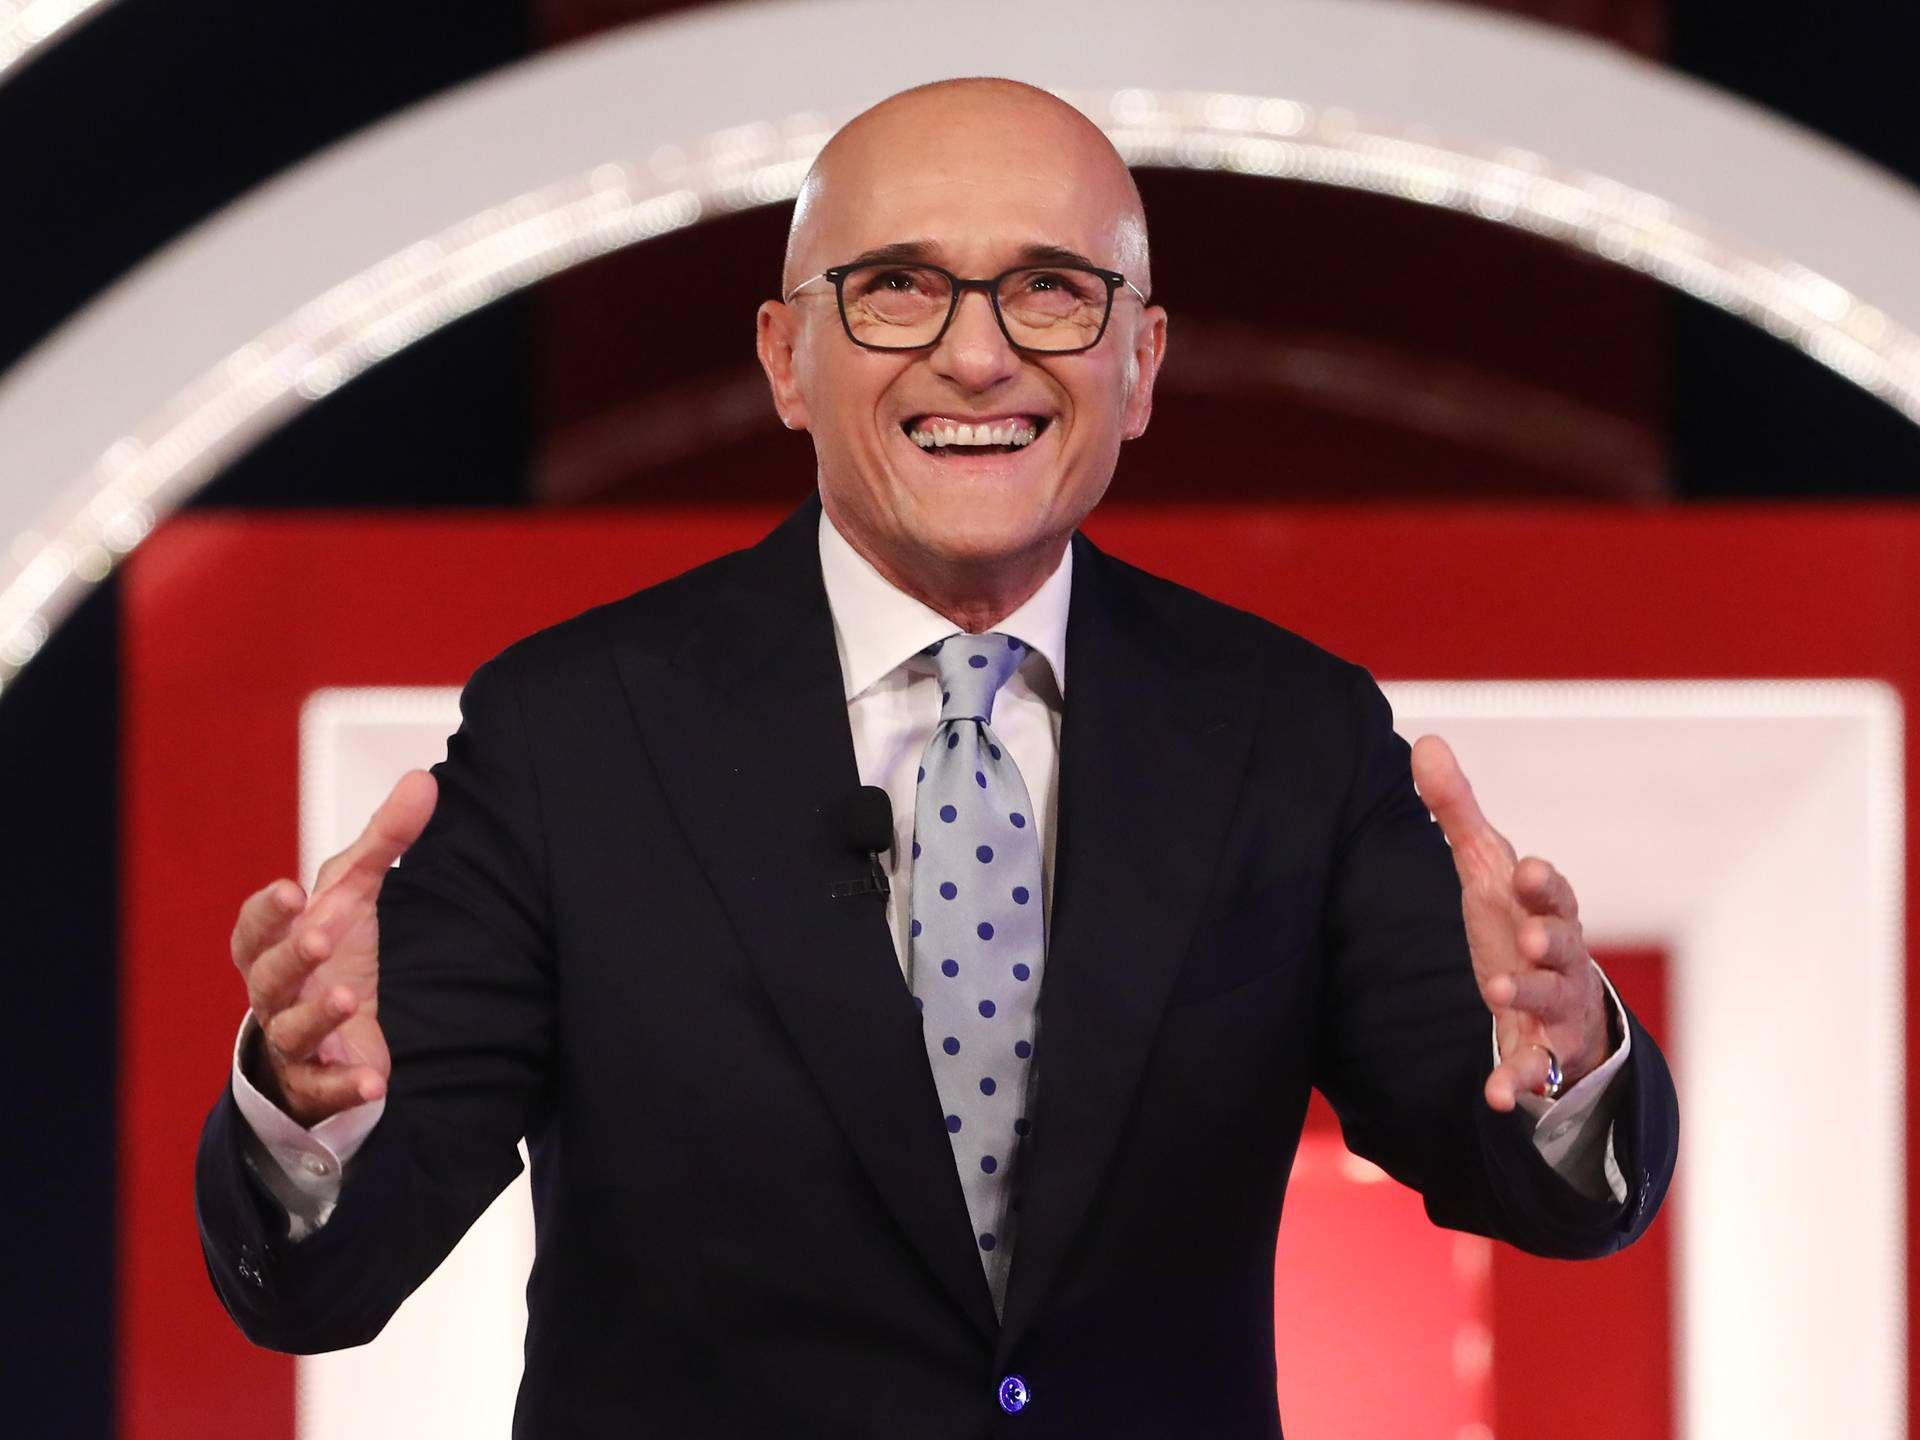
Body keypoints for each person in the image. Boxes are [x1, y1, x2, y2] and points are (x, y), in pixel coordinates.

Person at [197, 77, 1678, 1437]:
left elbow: (1536, 1179)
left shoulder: (1286, 734)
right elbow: (326, 1278)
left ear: (1142, 364)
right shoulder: (572, 735)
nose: (976, 355)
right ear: (786, 357)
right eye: (897, 286)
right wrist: (309, 1109)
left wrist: (1561, 1058)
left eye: (1052, 289)